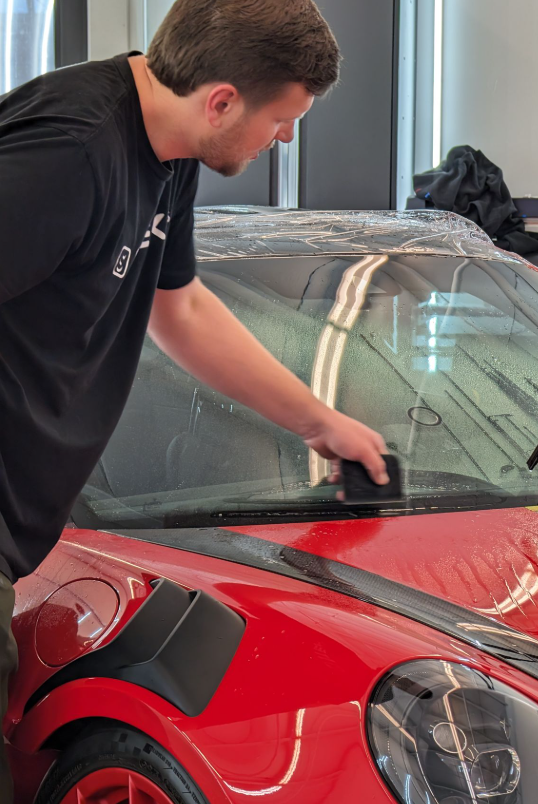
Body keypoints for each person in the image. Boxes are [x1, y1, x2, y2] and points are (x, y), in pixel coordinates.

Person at [0, 0, 388, 798]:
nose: (284, 139)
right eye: (282, 120)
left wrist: (321, 423)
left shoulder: (165, 152)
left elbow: (180, 308)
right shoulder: (69, 155)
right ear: (220, 100)